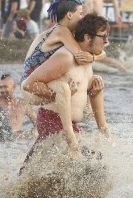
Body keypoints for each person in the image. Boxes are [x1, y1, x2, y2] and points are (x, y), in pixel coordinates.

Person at [22, 14, 111, 159]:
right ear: (88, 37)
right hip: (53, 123)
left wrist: (93, 92)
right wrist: (59, 93)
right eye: (103, 37)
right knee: (94, 168)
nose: (106, 41)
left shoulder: (87, 59)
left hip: (68, 127)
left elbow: (83, 101)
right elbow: (29, 84)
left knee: (97, 162)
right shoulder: (66, 57)